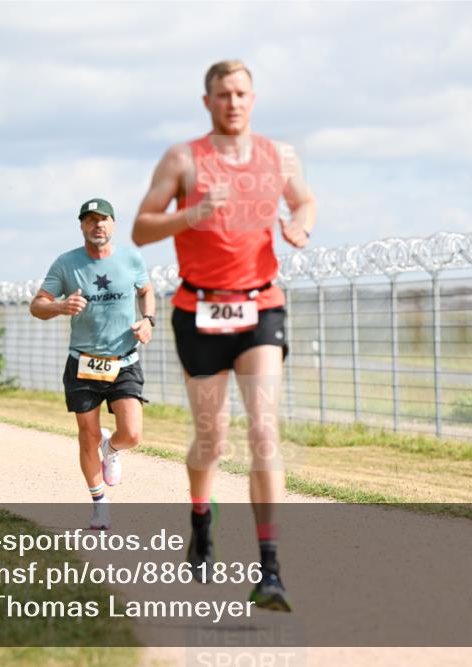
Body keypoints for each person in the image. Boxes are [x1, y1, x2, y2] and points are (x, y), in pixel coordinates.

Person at [132, 60, 316, 612]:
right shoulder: (183, 158)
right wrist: (189, 215)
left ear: (253, 98)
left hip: (261, 304)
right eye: (222, 94)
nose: (233, 102)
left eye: (241, 93)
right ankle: (200, 516)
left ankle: (271, 570)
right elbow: (141, 227)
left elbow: (304, 198)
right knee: (212, 437)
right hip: (200, 310)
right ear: (207, 101)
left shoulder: (279, 154)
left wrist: (299, 226)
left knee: (263, 430)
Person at [30, 198, 155, 530]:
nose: (97, 225)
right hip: (83, 362)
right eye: (90, 220)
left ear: (113, 224)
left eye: (103, 219)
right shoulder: (66, 264)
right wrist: (60, 306)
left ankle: (111, 447)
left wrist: (149, 320)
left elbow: (146, 290)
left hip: (124, 360)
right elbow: (37, 305)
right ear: (82, 226)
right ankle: (99, 504)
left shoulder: (130, 258)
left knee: (132, 433)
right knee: (86, 435)